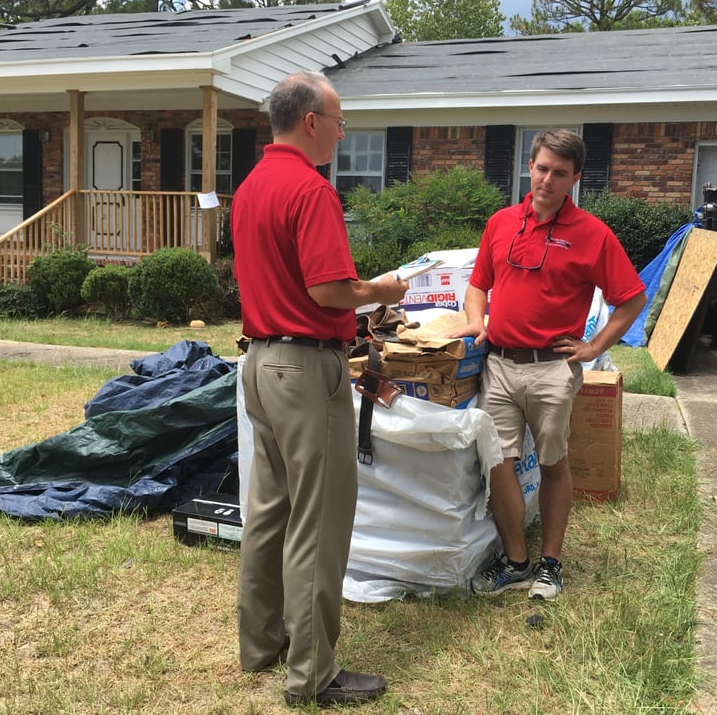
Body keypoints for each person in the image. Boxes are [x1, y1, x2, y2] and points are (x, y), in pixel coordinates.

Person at [231, 71, 408, 708]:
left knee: (270, 510)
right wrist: (382, 293)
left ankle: (261, 642)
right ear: (311, 121)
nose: (340, 131)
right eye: (338, 121)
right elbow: (329, 291)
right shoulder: (310, 189)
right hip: (306, 371)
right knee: (320, 522)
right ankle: (312, 676)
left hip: (258, 365)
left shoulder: (251, 187)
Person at [450, 129, 646, 601]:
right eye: (541, 168)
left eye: (560, 173)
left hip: (552, 369)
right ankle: (516, 561)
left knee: (555, 464)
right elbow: (478, 285)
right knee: (499, 464)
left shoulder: (592, 234)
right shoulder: (500, 223)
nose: (547, 180)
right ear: (530, 166)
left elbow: (631, 299)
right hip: (497, 365)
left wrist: (592, 345)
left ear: (575, 178)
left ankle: (551, 564)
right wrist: (477, 322)